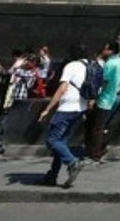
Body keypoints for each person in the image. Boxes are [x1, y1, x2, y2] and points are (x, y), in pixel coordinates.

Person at [36, 43, 89, 189]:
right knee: (61, 142)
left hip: (67, 107)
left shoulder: (71, 66)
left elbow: (62, 88)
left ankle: (72, 162)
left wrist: (47, 109)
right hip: (81, 108)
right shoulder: (90, 66)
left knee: (52, 141)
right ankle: (52, 175)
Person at [86, 41, 120, 162]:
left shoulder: (110, 63)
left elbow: (103, 81)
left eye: (105, 49)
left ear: (111, 51)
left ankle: (96, 153)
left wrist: (94, 97)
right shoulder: (119, 61)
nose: (103, 51)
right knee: (99, 126)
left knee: (96, 127)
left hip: (103, 98)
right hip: (110, 97)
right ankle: (98, 149)